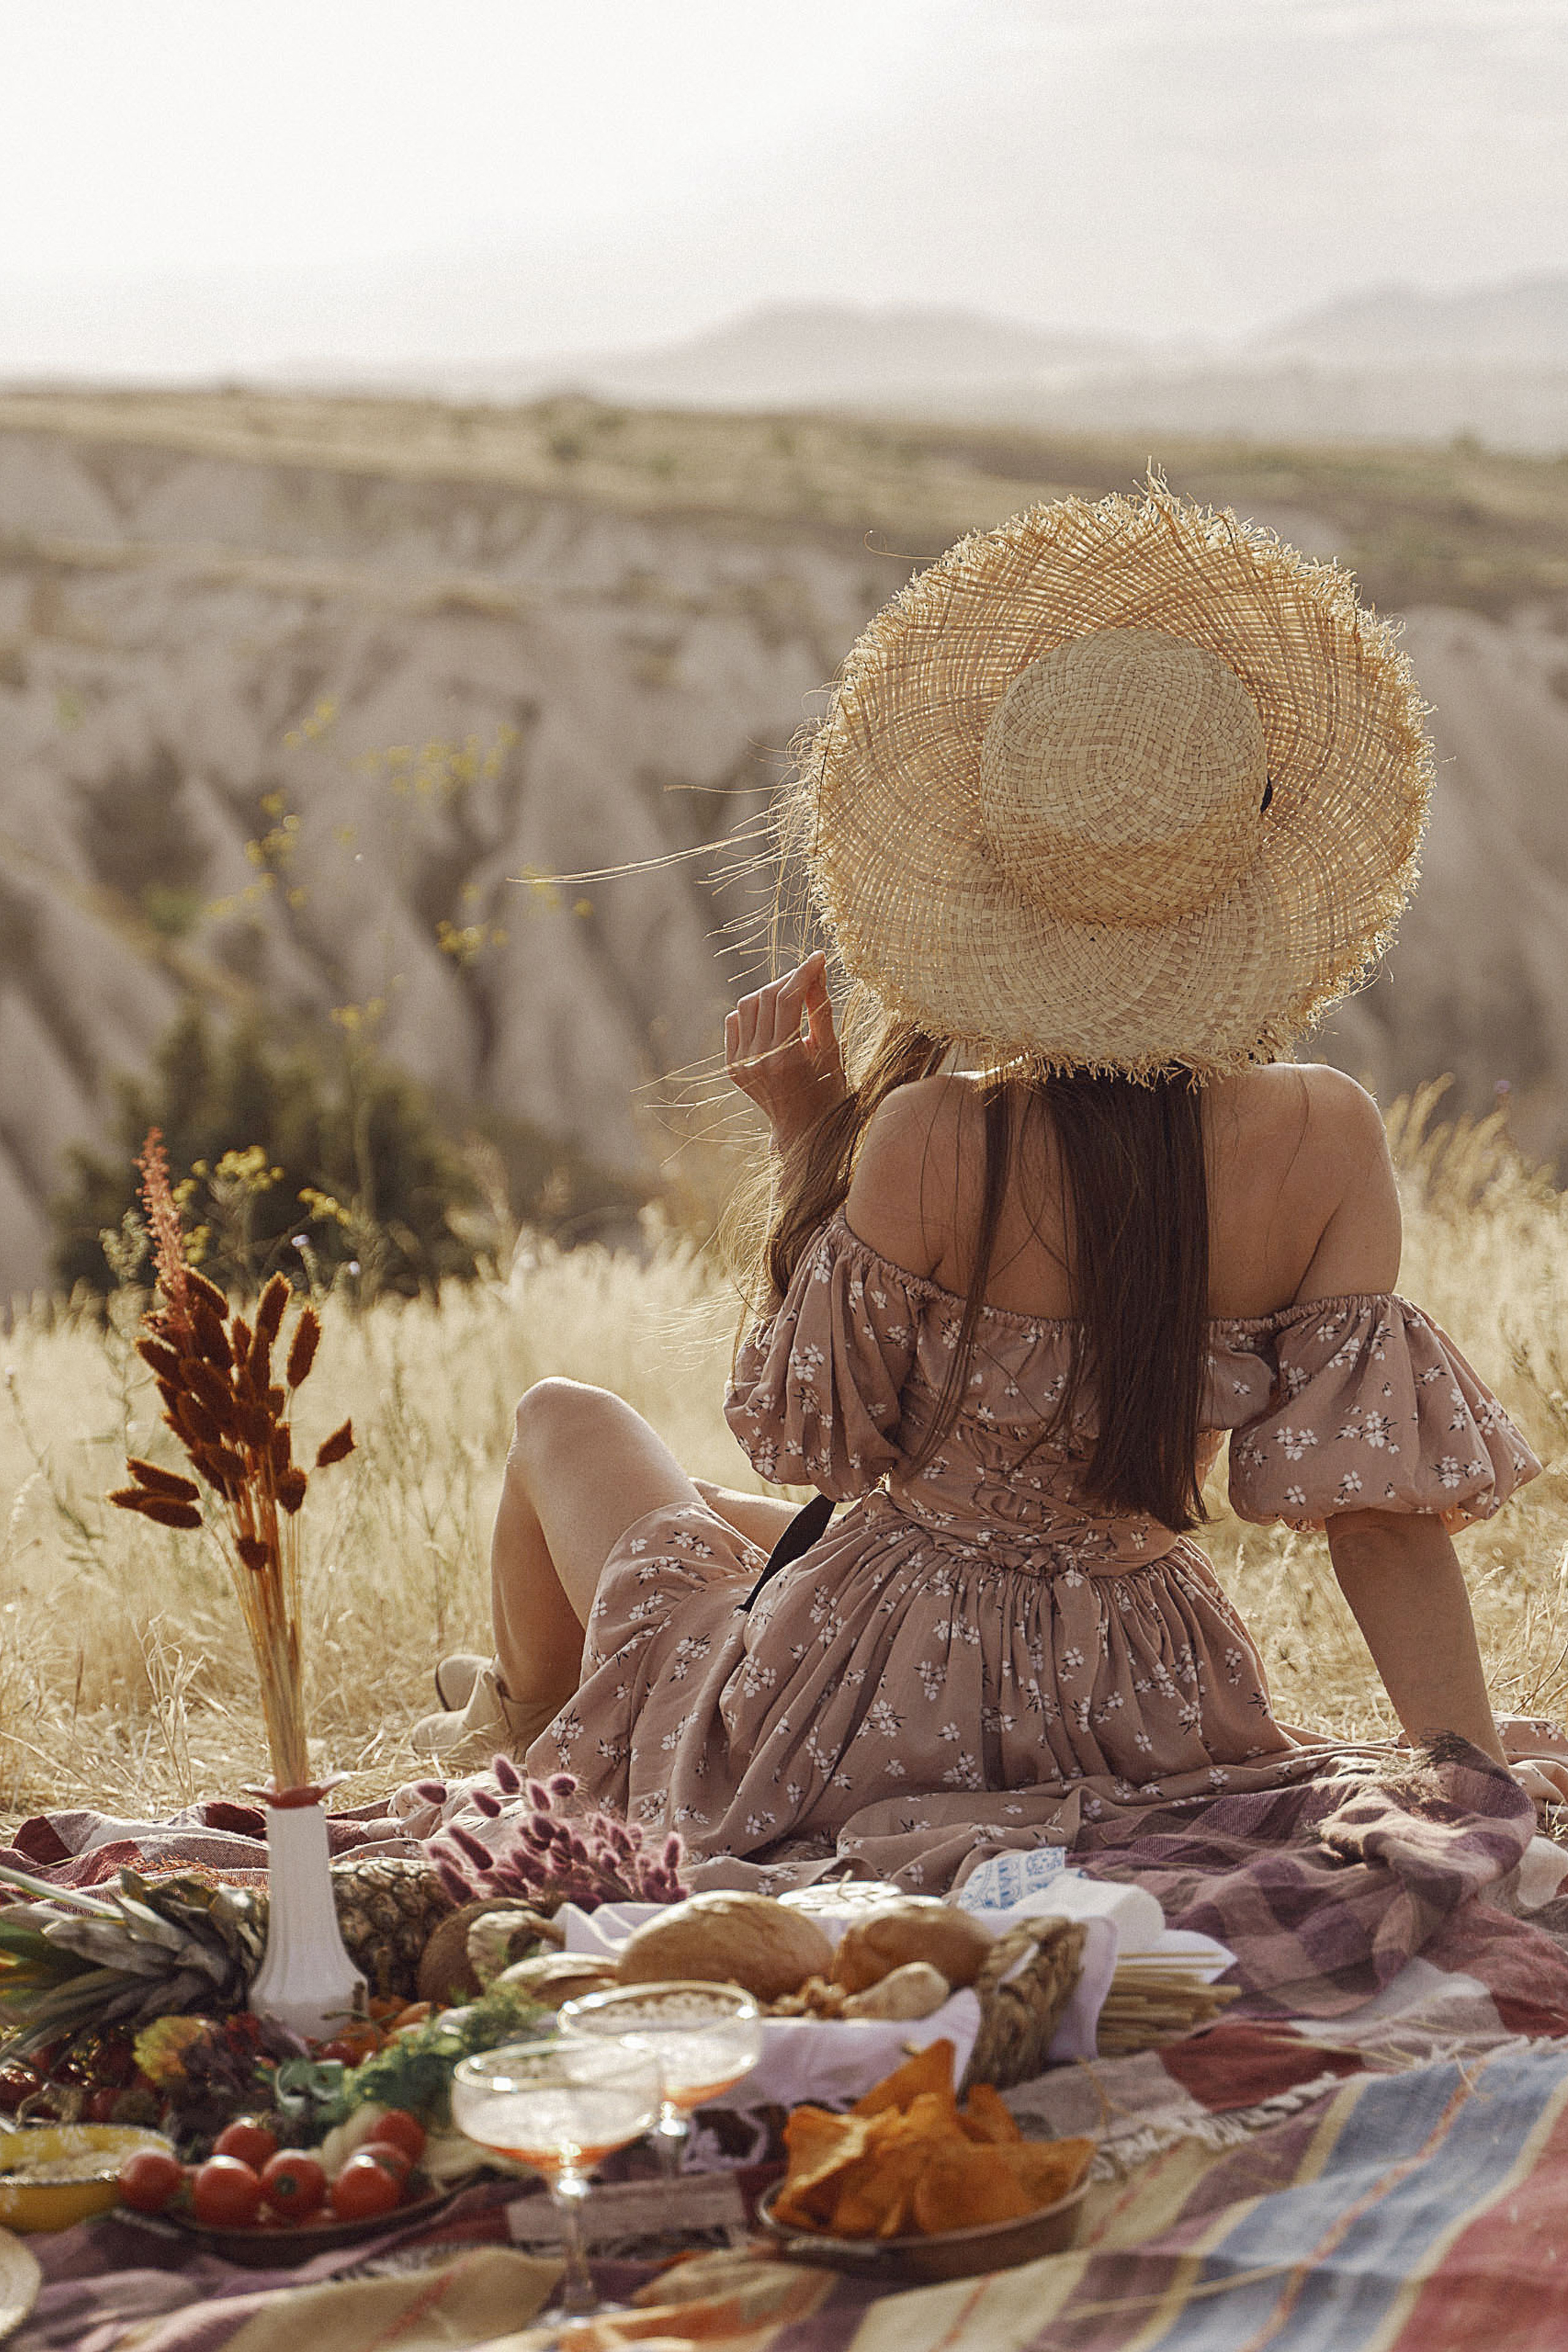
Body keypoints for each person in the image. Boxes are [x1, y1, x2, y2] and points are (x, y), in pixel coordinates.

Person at [413, 486, 1568, 1891]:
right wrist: (1468, 1783)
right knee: (729, 1522)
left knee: (563, 1421)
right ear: (1244, 855)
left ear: (998, 864)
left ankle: (536, 1754)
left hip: (872, 1700)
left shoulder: (930, 1136)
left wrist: (810, 1146)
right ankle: (538, 1736)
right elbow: (1380, 1524)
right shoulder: (1327, 1136)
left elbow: (821, 1443)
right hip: (1146, 1697)